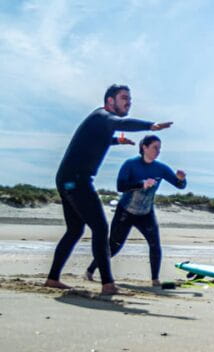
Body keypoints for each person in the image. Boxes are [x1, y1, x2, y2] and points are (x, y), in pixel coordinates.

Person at [46, 84, 172, 295]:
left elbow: (96, 140)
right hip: (76, 181)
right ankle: (108, 284)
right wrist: (152, 126)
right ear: (110, 101)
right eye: (124, 98)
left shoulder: (101, 124)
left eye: (130, 99)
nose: (128, 102)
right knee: (101, 229)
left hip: (67, 179)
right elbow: (121, 122)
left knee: (75, 230)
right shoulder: (103, 116)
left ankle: (52, 278)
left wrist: (116, 141)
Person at [85, 135, 186, 287]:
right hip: (125, 212)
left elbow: (179, 186)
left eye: (159, 148)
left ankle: (155, 280)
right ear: (144, 147)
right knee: (114, 245)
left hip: (146, 213)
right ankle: (90, 270)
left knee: (155, 245)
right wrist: (141, 184)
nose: (158, 151)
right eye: (155, 147)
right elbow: (120, 186)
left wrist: (181, 179)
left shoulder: (161, 168)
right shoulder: (130, 164)